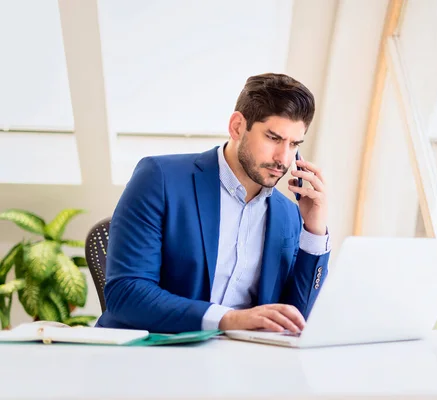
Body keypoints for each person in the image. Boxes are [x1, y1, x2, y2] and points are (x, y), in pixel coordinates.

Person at [96, 73, 331, 334]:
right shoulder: (160, 178)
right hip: (151, 354)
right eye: (273, 138)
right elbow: (126, 294)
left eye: (294, 144)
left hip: (237, 362)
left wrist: (314, 232)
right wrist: (227, 320)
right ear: (237, 126)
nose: (283, 159)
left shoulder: (288, 214)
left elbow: (296, 320)